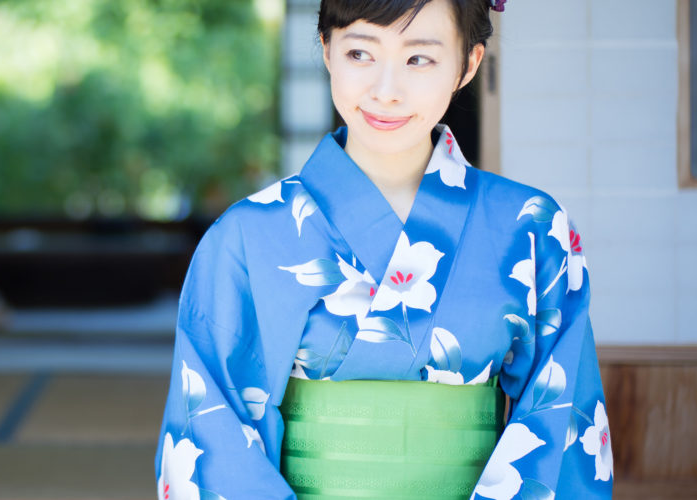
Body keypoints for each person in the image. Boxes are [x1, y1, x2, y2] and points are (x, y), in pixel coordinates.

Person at [154, 0, 612, 498]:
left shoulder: (530, 227)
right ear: (327, 51)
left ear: (469, 63)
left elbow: (561, 425)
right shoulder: (247, 235)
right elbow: (211, 441)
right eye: (359, 54)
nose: (386, 91)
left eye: (419, 59)